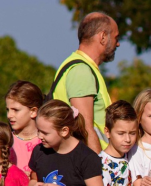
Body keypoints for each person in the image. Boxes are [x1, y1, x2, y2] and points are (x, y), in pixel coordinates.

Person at [50, 12, 119, 153]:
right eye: (115, 37)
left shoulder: (81, 67)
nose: (118, 43)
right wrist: (99, 169)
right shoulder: (81, 71)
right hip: (86, 166)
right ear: (103, 36)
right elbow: (86, 129)